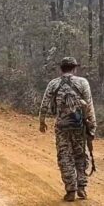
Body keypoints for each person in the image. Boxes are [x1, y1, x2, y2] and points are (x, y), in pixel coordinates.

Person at [39, 57, 96, 202]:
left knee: (64, 157)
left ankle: (70, 190)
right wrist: (92, 127)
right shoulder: (83, 82)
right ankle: (82, 188)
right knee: (80, 155)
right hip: (79, 127)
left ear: (61, 68)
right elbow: (89, 106)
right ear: (74, 68)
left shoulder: (53, 83)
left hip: (61, 127)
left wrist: (42, 121)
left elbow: (44, 104)